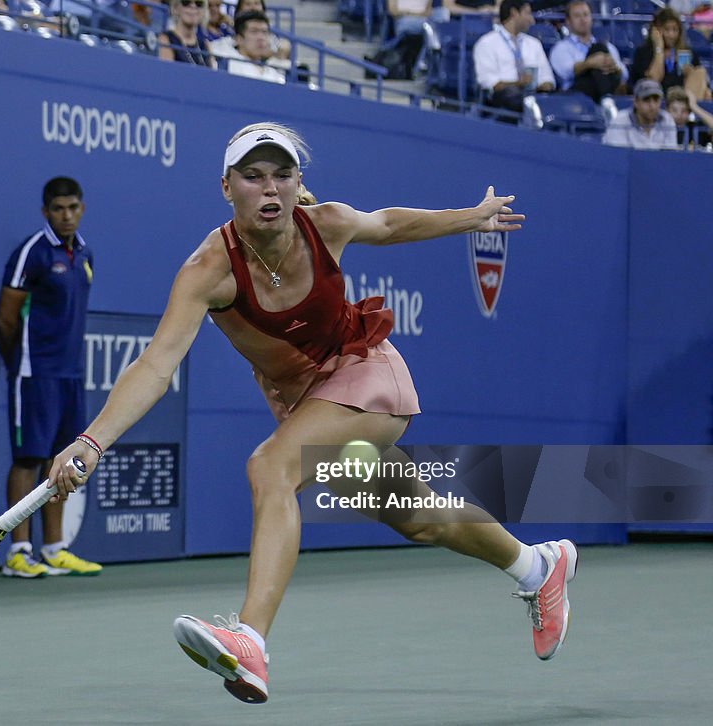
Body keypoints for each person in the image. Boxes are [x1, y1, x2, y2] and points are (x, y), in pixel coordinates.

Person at [46, 123, 579, 703]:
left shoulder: (324, 224)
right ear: (226, 186)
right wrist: (92, 441)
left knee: (270, 468)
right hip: (307, 402)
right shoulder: (209, 270)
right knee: (419, 518)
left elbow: (390, 223)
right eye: (253, 176)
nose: (269, 188)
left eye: (282, 175)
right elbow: (156, 366)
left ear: (299, 183)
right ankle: (537, 567)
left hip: (367, 375)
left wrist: (467, 218)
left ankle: (250, 640)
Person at [0, 177, 102, 579]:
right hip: (33, 372)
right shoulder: (31, 253)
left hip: (70, 374)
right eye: (59, 209)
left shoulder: (86, 253)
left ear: (82, 208)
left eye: (73, 207)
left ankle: (54, 547)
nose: (67, 215)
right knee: (27, 458)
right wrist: (19, 364)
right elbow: (6, 319)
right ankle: (19, 551)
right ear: (45, 212)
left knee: (65, 460)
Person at [473, 0, 556, 115]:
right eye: (527, 13)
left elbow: (547, 77)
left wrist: (545, 85)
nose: (531, 20)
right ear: (514, 13)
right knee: (514, 97)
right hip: (504, 97)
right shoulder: (486, 43)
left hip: (535, 94)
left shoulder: (534, 43)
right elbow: (492, 84)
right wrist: (520, 83)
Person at [548, 0, 627, 102]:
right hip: (576, 96)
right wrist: (590, 63)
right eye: (577, 16)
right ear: (568, 21)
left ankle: (605, 99)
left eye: (586, 15)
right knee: (598, 53)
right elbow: (565, 73)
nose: (583, 19)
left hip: (606, 87)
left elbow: (624, 74)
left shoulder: (608, 46)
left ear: (591, 18)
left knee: (600, 49)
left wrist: (614, 67)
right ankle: (606, 100)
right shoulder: (561, 48)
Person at [630, 7, 712, 101]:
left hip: (683, 104)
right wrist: (659, 48)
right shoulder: (643, 52)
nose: (671, 35)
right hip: (656, 101)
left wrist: (690, 73)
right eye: (667, 30)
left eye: (675, 30)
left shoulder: (687, 52)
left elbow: (700, 84)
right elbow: (653, 81)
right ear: (656, 30)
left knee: (700, 72)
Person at [603, 79, 680, 149]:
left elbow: (670, 155)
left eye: (656, 100)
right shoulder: (620, 121)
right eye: (646, 100)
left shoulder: (667, 120)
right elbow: (618, 158)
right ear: (635, 102)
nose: (652, 106)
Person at [225, 11, 288, 84]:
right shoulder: (229, 66)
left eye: (264, 32)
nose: (261, 38)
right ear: (239, 39)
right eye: (254, 32)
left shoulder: (273, 73)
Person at [158, 0, 216, 67]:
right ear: (175, 8)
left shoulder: (206, 45)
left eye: (199, 3)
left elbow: (213, 74)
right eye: (186, 2)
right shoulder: (165, 39)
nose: (193, 6)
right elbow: (167, 72)